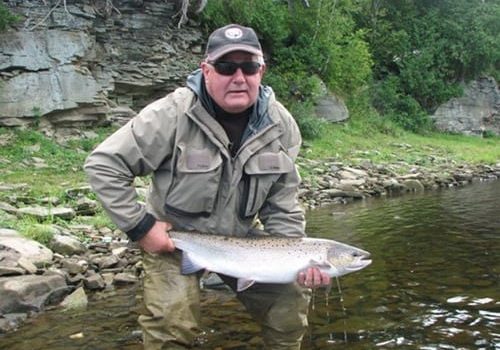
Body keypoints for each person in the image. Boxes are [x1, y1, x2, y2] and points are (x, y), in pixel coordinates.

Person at [84, 23, 330, 349]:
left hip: (243, 243)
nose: (239, 77)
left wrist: (295, 261)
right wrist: (141, 227)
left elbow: (282, 205)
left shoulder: (281, 126)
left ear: (262, 71)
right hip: (174, 241)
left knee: (288, 308)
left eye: (249, 67)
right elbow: (104, 164)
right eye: (227, 67)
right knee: (170, 324)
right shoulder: (171, 114)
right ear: (206, 70)